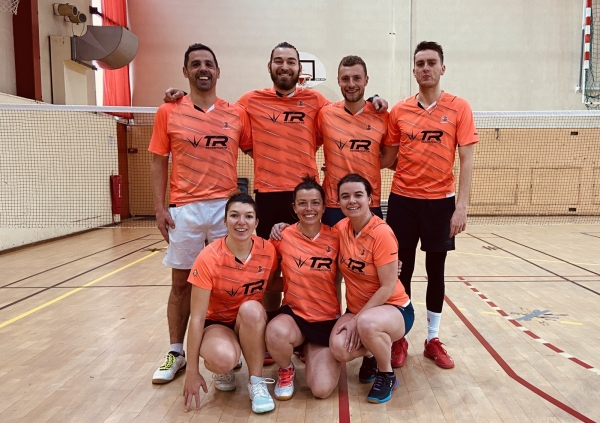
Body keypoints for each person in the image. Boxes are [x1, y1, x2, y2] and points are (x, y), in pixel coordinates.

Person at [164, 42, 389, 364]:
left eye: (291, 61)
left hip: (308, 197)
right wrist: (179, 97)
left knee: (322, 264)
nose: (285, 66)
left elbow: (348, 107)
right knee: (269, 270)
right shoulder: (249, 102)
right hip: (268, 196)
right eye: (279, 61)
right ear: (270, 66)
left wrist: (374, 99)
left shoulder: (316, 101)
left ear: (301, 69)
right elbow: (223, 119)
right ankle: (271, 334)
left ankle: (327, 322)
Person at [149, 43, 252, 384]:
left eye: (209, 63)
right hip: (185, 210)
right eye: (195, 64)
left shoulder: (236, 113)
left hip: (225, 209)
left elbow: (257, 148)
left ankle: (227, 353)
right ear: (185, 72)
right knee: (181, 284)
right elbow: (158, 160)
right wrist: (159, 207)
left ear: (219, 72)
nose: (202, 69)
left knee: (228, 284)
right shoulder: (169, 110)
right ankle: (176, 352)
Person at [381, 41, 478, 369]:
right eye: (420, 63)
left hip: (441, 204)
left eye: (431, 62)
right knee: (400, 272)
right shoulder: (398, 111)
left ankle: (432, 339)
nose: (425, 68)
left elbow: (466, 160)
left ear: (442, 68)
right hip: (403, 203)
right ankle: (399, 338)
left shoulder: (459, 108)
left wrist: (461, 206)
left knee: (436, 272)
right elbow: (390, 158)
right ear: (413, 70)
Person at [183, 192, 278, 414]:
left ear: (257, 222)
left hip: (249, 320)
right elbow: (196, 318)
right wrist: (192, 371)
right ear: (225, 221)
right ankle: (226, 366)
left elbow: (275, 284)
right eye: (234, 215)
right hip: (217, 324)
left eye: (248, 216)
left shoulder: (268, 250)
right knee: (223, 359)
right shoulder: (208, 257)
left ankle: (256, 382)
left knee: (252, 309)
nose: (241, 222)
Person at [329, 174, 414, 404]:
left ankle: (387, 374)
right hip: (358, 309)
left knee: (367, 324)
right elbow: (312, 235)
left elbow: (387, 287)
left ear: (370, 198)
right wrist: (281, 228)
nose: (352, 201)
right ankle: (371, 353)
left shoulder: (382, 233)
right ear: (338, 202)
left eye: (358, 195)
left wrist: (358, 319)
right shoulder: (340, 228)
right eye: (345, 196)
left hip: (395, 308)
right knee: (339, 348)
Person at [265, 175, 341, 401]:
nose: (309, 208)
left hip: (326, 320)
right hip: (295, 317)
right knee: (275, 331)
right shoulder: (282, 236)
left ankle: (309, 349)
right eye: (302, 203)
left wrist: (393, 264)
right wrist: (292, 282)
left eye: (315, 202)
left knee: (321, 390)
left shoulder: (337, 237)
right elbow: (267, 281)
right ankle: (286, 369)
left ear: (324, 206)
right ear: (294, 207)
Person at [317, 55, 389, 227]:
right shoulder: (325, 114)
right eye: (345, 79)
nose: (351, 84)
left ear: (366, 80)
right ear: (338, 81)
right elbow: (308, 146)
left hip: (370, 203)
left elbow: (389, 158)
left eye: (357, 78)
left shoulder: (382, 116)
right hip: (334, 204)